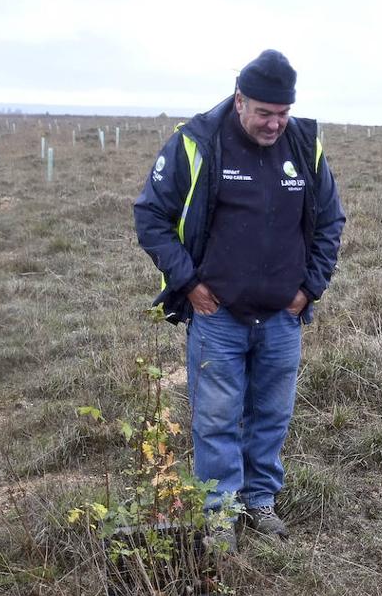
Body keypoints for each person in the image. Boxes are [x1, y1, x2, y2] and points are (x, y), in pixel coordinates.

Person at [133, 50, 345, 545]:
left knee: (272, 413)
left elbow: (330, 221)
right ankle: (220, 511)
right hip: (218, 316)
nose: (275, 123)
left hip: (281, 317)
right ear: (239, 100)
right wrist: (187, 282)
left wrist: (309, 288)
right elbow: (150, 217)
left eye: (283, 113)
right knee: (216, 416)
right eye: (265, 113)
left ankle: (260, 501)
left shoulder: (305, 145)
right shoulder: (197, 143)